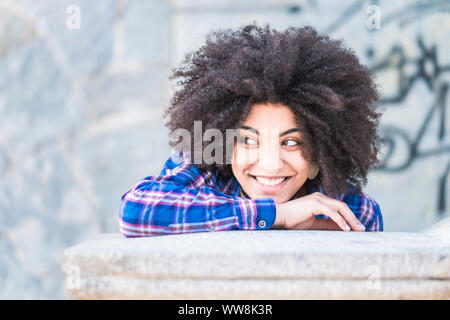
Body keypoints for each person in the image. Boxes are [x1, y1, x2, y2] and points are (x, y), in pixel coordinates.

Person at [118, 24, 383, 237]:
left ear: (318, 153)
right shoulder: (206, 171)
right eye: (247, 140)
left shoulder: (335, 204)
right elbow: (135, 212)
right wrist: (278, 215)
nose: (270, 164)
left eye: (291, 142)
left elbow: (367, 216)